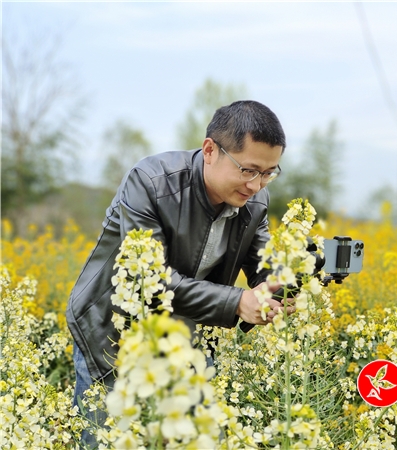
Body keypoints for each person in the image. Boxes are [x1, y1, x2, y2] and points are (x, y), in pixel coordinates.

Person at [66, 100, 295, 423]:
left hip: (186, 342)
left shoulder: (255, 199)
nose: (256, 185)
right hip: (114, 338)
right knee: (108, 439)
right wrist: (237, 302)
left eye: (269, 173)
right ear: (210, 150)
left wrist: (280, 287)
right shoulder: (150, 182)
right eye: (248, 170)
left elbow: (263, 263)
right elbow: (148, 279)